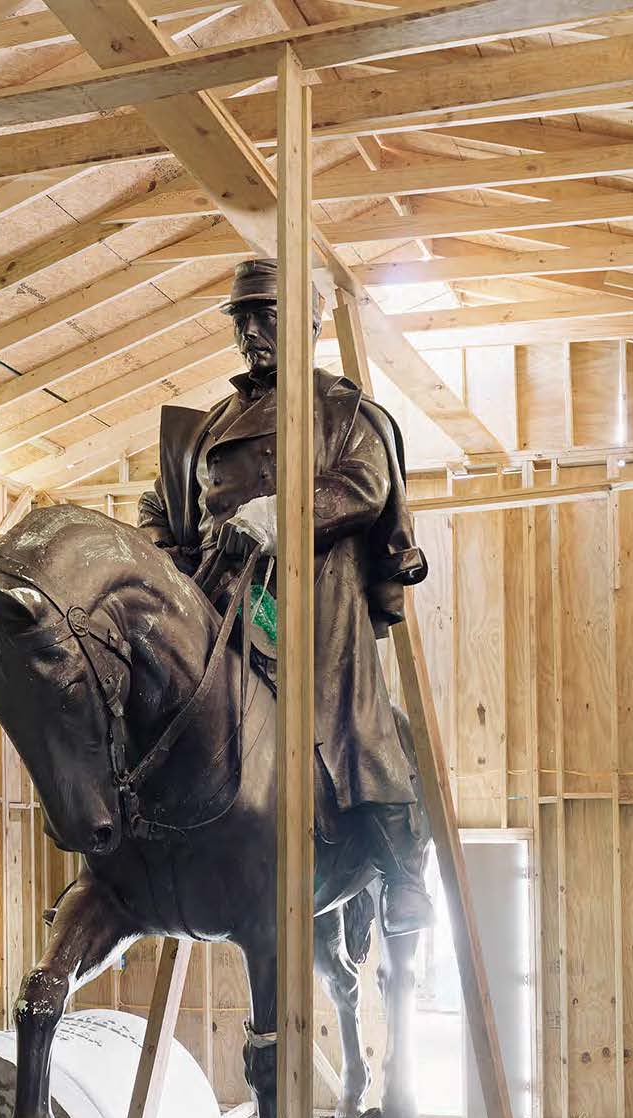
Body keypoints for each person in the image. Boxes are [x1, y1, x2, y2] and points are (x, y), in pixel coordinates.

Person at [138, 258, 432, 935]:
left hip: (313, 597)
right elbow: (160, 497)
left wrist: (278, 514)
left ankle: (401, 871)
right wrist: (157, 547)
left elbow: (364, 483)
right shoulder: (209, 423)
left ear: (305, 325)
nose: (250, 331)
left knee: (348, 721)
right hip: (213, 593)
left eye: (263, 316)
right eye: (242, 319)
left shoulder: (343, 409)